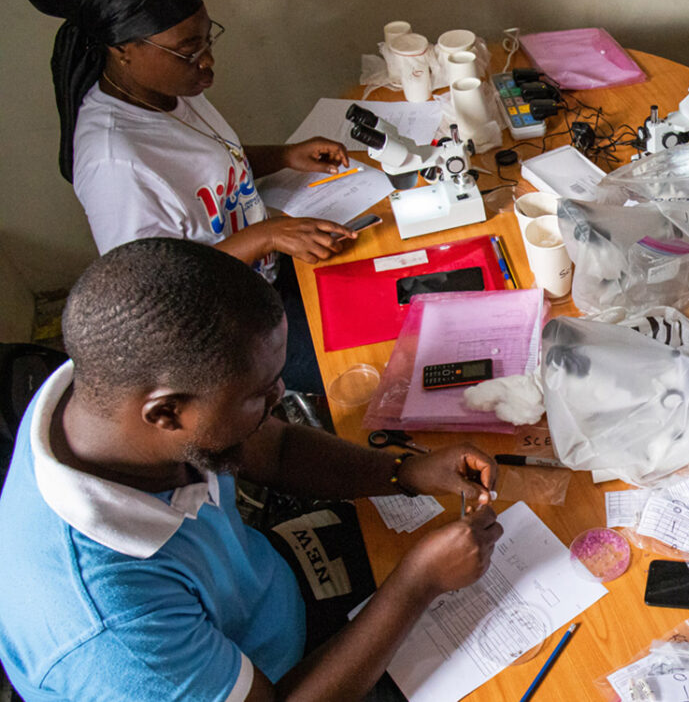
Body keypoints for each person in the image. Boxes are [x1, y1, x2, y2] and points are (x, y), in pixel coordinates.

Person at [0, 238, 503, 701]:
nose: (280, 397)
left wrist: (403, 473)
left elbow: (274, 448)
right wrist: (416, 584)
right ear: (166, 413)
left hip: (266, 600)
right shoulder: (108, 629)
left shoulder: (102, 396)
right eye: (257, 394)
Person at [21, 0, 352, 392]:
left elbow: (202, 172)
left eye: (206, 39)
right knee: (373, 364)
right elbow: (152, 293)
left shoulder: (169, 88)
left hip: (267, 283)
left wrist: (282, 156)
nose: (207, 62)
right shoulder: (114, 162)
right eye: (187, 50)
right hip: (225, 335)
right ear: (122, 50)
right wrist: (265, 236)